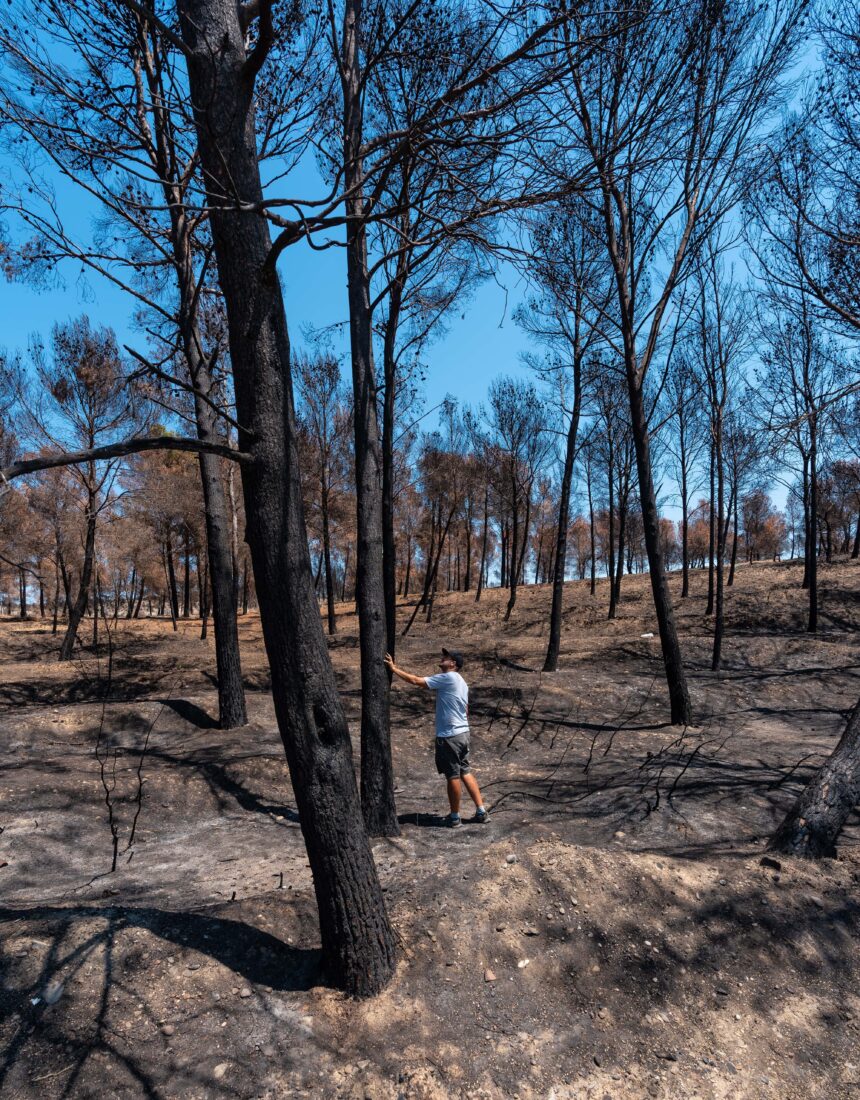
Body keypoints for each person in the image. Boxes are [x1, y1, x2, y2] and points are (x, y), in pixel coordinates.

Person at [384, 647, 488, 828]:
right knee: (465, 771)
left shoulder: (449, 678)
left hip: (450, 736)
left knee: (453, 775)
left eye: (446, 657)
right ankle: (481, 811)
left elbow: (416, 681)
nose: (442, 658)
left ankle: (455, 817)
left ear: (453, 663)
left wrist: (394, 669)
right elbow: (466, 708)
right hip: (463, 733)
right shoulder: (462, 682)